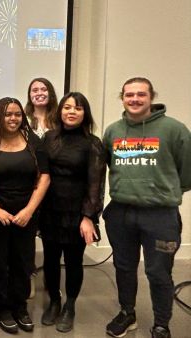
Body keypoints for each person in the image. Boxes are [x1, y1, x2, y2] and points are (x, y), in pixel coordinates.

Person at [103, 77, 191, 338]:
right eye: (129, 95)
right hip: (121, 212)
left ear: (151, 97)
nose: (135, 99)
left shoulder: (175, 130)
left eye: (141, 94)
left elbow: (187, 174)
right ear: (122, 97)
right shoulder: (113, 131)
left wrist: (164, 192)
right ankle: (127, 313)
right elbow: (107, 166)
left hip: (160, 216)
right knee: (124, 266)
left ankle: (162, 324)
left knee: (158, 272)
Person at [0, 97, 50, 334]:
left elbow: (44, 177)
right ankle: (1, 309)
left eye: (17, 114)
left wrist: (29, 210)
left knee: (23, 262)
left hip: (26, 213)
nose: (13, 118)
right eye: (7, 114)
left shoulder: (33, 141)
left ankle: (19, 307)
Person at [38, 92, 106, 332]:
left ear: (84, 113)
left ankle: (70, 305)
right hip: (50, 210)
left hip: (77, 212)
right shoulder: (49, 138)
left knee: (74, 261)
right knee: (50, 260)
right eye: (67, 107)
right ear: (60, 111)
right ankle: (54, 302)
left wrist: (89, 217)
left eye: (77, 108)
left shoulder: (93, 143)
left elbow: (96, 184)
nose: (71, 112)